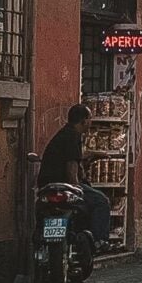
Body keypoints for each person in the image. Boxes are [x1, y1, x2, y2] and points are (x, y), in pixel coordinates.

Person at [38, 104, 112, 247]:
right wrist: (76, 186)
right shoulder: (73, 136)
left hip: (47, 185)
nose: (91, 122)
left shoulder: (64, 134)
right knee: (101, 201)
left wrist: (93, 154)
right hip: (64, 185)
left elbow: (73, 155)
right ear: (84, 121)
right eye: (90, 119)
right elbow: (71, 165)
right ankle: (99, 241)